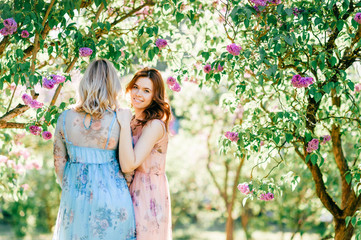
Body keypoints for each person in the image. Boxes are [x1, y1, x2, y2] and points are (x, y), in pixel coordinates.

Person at [53, 59, 136, 240]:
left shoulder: (64, 118)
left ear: (85, 82)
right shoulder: (119, 119)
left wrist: (72, 187)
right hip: (114, 199)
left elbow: (59, 163)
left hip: (75, 199)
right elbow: (127, 167)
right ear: (112, 85)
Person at [116, 67, 172, 240]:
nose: (138, 93)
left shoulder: (154, 125)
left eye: (146, 90)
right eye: (136, 87)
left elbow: (128, 164)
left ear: (155, 96)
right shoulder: (131, 120)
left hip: (148, 194)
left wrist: (124, 125)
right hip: (126, 190)